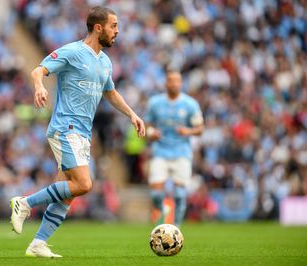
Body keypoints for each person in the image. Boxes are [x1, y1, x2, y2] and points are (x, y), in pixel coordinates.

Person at [10, 6, 145, 258]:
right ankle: (25, 203)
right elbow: (37, 70)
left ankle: (38, 243)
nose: (117, 31)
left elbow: (110, 92)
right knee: (83, 184)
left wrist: (132, 114)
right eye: (113, 26)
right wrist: (39, 87)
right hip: (65, 127)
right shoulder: (72, 51)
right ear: (98, 27)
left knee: (68, 191)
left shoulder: (105, 61)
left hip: (83, 134)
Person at [145, 70, 204, 226]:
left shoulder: (190, 104)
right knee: (156, 194)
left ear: (181, 83)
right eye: (171, 80)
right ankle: (163, 210)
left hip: (181, 152)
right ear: (166, 83)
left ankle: (176, 227)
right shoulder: (155, 103)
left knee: (179, 194)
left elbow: (200, 129)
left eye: (177, 81)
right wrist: (152, 133)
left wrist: (188, 131)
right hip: (160, 151)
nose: (174, 84)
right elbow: (146, 127)